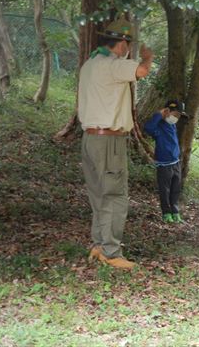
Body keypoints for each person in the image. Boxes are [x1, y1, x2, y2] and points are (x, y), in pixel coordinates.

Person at [78, 23, 153, 270]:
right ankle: (111, 251)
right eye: (127, 45)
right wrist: (147, 57)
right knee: (115, 195)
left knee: (99, 194)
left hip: (90, 139)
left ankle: (100, 245)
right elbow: (142, 71)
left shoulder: (89, 65)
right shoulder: (112, 65)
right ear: (122, 44)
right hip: (109, 141)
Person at [144, 100, 187, 223]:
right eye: (175, 114)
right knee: (165, 190)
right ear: (167, 111)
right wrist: (159, 115)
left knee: (175, 189)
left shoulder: (172, 125)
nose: (176, 118)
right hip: (164, 165)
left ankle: (175, 212)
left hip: (176, 163)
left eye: (178, 116)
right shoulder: (159, 125)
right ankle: (166, 213)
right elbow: (148, 128)